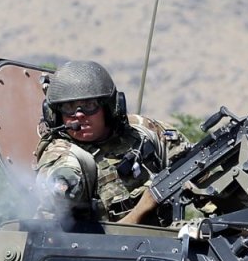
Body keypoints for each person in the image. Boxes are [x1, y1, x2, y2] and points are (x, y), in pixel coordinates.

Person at [34, 60, 189, 225]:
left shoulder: (144, 132)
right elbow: (60, 180)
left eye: (90, 105)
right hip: (92, 248)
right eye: (69, 107)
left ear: (108, 108)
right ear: (55, 114)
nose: (79, 115)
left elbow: (195, 169)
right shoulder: (61, 154)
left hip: (166, 243)